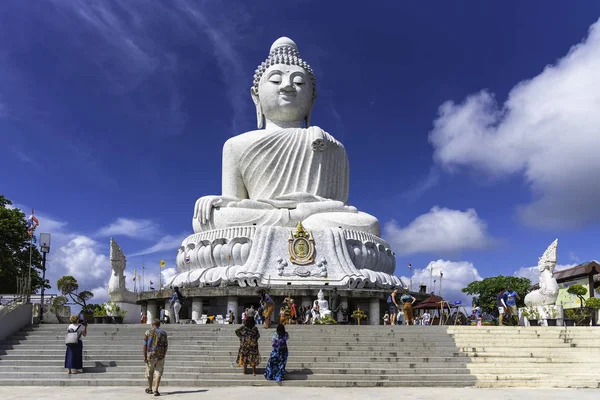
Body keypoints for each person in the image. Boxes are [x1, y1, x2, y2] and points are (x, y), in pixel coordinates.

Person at [143, 318, 168, 396]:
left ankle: (150, 388)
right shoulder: (164, 333)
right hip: (160, 356)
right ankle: (156, 390)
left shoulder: (148, 332)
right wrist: (164, 354)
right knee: (158, 372)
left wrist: (144, 356)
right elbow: (166, 345)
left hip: (151, 355)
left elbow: (144, 345)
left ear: (152, 325)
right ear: (159, 325)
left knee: (149, 372)